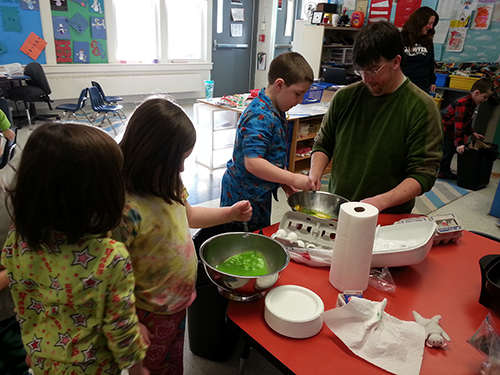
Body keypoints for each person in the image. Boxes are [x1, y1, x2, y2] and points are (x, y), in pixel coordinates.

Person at [113, 96, 252, 375]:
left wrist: (230, 214)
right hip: (148, 312)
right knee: (151, 367)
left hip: (178, 303)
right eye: (177, 160)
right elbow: (112, 274)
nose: (181, 169)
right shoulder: (126, 208)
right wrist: (129, 322)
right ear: (149, 154)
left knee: (173, 363)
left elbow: (189, 216)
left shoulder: (168, 182)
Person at [0, 122, 148, 375]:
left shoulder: (16, 240)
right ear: (103, 194)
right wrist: (138, 371)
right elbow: (120, 326)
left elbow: (23, 298)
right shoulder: (110, 256)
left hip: (40, 359)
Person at [310, 21, 443, 214]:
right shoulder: (345, 97)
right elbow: (323, 144)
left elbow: (424, 174)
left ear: (396, 62)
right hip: (339, 208)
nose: (365, 79)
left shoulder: (421, 108)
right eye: (360, 70)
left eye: (373, 70)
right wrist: (314, 175)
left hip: (388, 215)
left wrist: (379, 202)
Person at [220, 52, 317, 230]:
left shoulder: (275, 108)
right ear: (279, 84)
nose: (300, 100)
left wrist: (284, 181)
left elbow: (272, 155)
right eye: (297, 93)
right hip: (243, 196)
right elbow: (253, 163)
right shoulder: (260, 115)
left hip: (259, 192)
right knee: (244, 242)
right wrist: (293, 178)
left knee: (258, 235)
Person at [439, 77, 494, 179]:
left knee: (451, 150)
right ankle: (439, 170)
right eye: (485, 97)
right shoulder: (463, 102)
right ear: (477, 92)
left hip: (451, 129)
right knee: (446, 150)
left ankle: (444, 170)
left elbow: (466, 121)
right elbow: (458, 124)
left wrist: (472, 132)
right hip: (444, 128)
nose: (485, 100)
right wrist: (459, 144)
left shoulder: (471, 103)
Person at [401, 7, 439, 93]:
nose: (431, 27)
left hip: (422, 86)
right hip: (402, 85)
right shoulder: (400, 38)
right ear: (420, 22)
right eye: (429, 23)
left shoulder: (427, 41)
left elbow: (430, 62)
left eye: (433, 24)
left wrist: (432, 81)